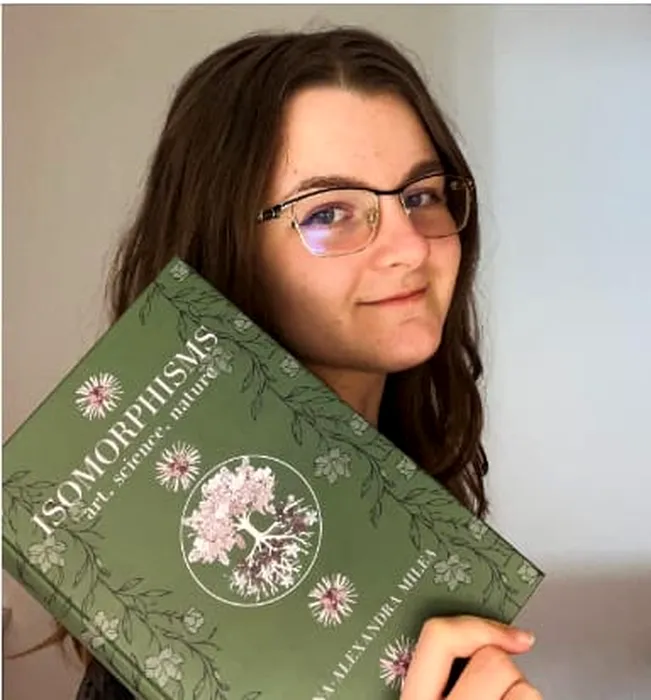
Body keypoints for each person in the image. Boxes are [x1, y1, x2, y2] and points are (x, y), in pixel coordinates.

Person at [44, 26, 540, 700]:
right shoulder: (180, 603)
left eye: (421, 195)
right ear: (227, 245)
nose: (410, 247)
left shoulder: (411, 514)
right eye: (330, 212)